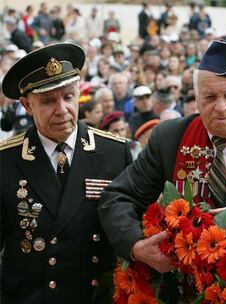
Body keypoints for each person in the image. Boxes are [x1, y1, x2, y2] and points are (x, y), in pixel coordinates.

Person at [98, 36, 226, 304]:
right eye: (209, 97)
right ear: (196, 98)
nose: (221, 108)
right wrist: (138, 247)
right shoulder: (169, 138)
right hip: (184, 291)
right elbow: (117, 197)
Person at [0, 43, 133, 303]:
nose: (62, 110)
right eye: (48, 101)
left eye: (69, 97)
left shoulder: (113, 152)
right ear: (27, 105)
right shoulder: (6, 160)